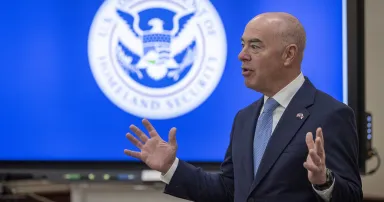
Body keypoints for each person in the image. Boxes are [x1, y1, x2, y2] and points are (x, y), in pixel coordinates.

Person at [124, 12, 363, 202]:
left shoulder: (331, 114)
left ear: (288, 55)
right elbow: (229, 190)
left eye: (255, 46)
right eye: (243, 44)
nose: (241, 55)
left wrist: (324, 181)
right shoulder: (245, 118)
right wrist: (171, 167)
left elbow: (352, 195)